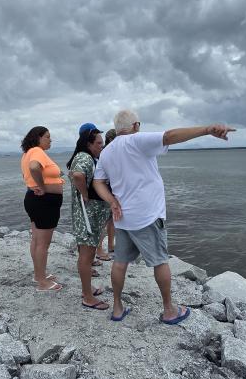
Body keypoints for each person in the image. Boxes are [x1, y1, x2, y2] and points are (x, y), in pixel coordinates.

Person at [92, 110, 234, 323]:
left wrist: (112, 201)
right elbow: (168, 136)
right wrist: (207, 130)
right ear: (136, 125)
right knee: (160, 262)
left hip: (123, 218)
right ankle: (169, 310)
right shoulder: (136, 140)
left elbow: (97, 182)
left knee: (120, 262)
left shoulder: (107, 152)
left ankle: (117, 308)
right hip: (147, 216)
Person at [67, 124, 111, 310]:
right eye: (99, 143)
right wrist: (85, 194)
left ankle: (87, 288)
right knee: (86, 256)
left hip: (86, 215)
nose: (102, 145)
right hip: (86, 217)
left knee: (85, 253)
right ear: (89, 144)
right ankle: (87, 297)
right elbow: (77, 175)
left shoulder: (86, 156)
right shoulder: (85, 158)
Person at [21, 126, 65, 291]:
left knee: (36, 240)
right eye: (47, 136)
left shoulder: (27, 153)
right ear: (37, 138)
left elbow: (26, 174)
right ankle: (42, 281)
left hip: (34, 200)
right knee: (43, 244)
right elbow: (34, 168)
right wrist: (43, 187)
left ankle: (38, 274)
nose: (50, 139)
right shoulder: (37, 152)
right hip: (44, 201)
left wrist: (39, 184)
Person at [96, 128, 119, 261]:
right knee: (104, 221)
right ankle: (99, 248)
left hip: (112, 188)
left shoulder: (113, 151)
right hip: (105, 189)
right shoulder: (104, 152)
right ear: (111, 139)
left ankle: (111, 245)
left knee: (112, 220)